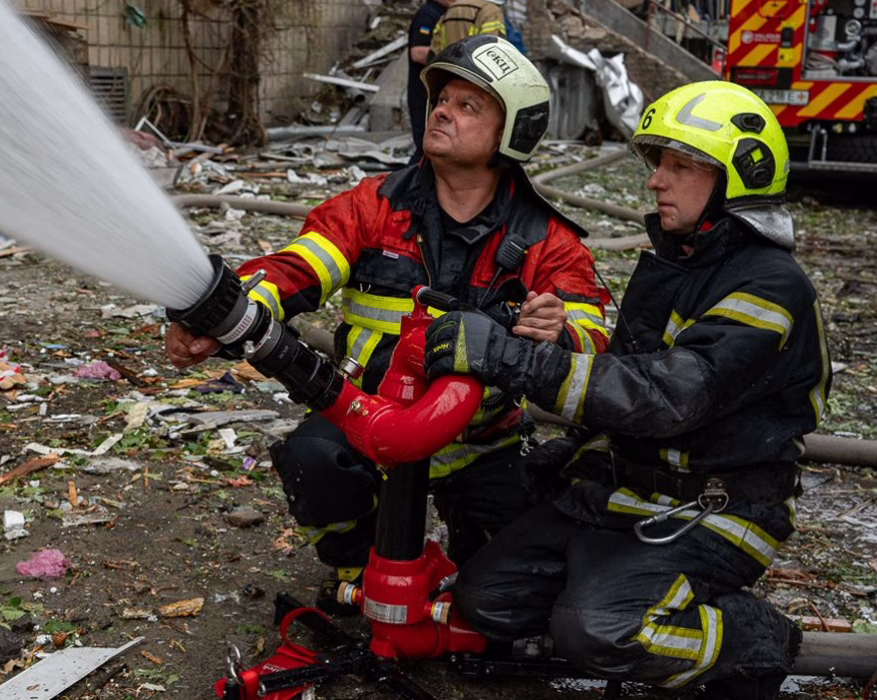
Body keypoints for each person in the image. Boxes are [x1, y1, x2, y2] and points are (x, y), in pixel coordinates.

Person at [421, 81, 831, 699]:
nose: (655, 181)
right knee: (487, 601)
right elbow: (624, 374)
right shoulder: (678, 261)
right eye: (658, 163)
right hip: (628, 492)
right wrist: (575, 443)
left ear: (737, 179)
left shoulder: (770, 287)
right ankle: (607, 596)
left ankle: (749, 637)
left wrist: (514, 360)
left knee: (601, 630)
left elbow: (668, 397)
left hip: (719, 508)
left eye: (680, 167)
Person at [166, 36, 609, 605]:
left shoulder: (548, 239)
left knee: (507, 594)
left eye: (468, 105)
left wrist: (560, 331)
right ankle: (357, 567)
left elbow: (594, 340)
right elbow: (295, 268)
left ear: (512, 133)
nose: (442, 111)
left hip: (480, 441)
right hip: (366, 420)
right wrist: (219, 315)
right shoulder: (373, 206)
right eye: (441, 99)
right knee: (313, 459)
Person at [408, 0, 455, 163]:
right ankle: (410, 178)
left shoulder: (447, 13)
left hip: (437, 93)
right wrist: (454, 54)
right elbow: (418, 53)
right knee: (425, 148)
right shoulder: (428, 14)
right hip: (423, 93)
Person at [429, 0, 507, 59]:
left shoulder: (452, 8)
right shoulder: (492, 11)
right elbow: (493, 47)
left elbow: (436, 44)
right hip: (475, 71)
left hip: (448, 68)